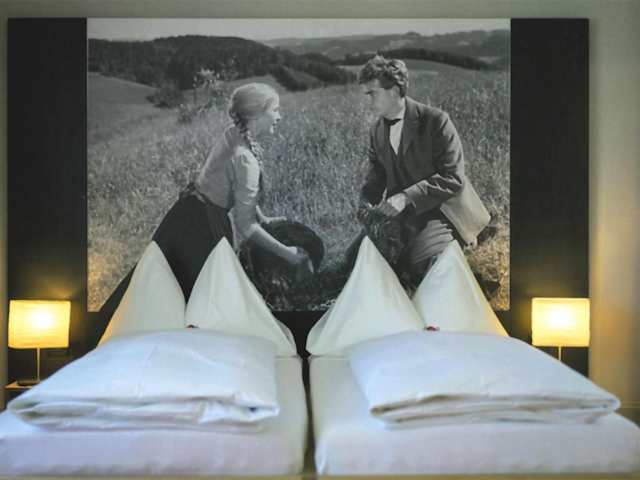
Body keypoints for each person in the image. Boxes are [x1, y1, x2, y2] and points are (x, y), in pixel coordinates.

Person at [152, 82, 313, 299]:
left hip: (185, 212)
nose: (279, 116)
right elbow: (245, 227)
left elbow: (235, 188)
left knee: (161, 285)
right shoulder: (245, 159)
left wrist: (263, 219)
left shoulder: (233, 133)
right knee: (201, 297)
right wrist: (289, 254)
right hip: (203, 229)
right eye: (275, 110)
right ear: (256, 115)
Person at [357, 55, 490, 284]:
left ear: (394, 91)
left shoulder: (436, 120)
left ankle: (465, 243)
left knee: (419, 264)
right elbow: (376, 177)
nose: (367, 100)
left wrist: (406, 197)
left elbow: (453, 177)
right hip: (406, 213)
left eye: (372, 93)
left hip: (443, 209)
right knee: (358, 259)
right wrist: (365, 203)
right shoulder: (376, 130)